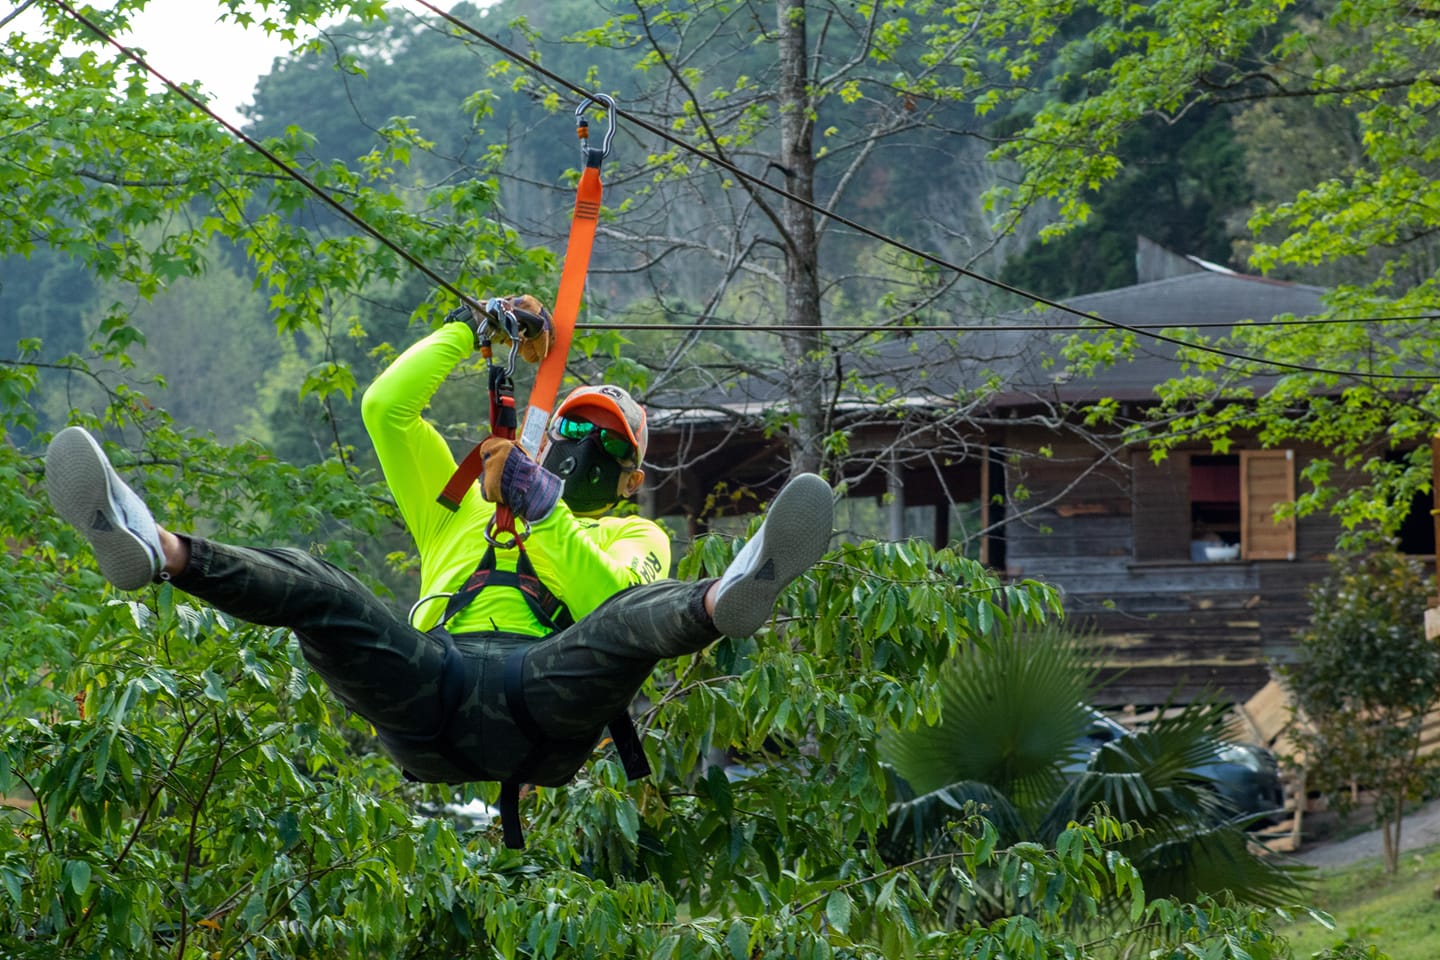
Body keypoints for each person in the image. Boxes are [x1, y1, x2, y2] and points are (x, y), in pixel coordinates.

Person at [44, 294, 835, 848]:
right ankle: (162, 549)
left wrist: (539, 507)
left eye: (607, 445)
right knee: (323, 590)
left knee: (639, 616)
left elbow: (609, 601)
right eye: (575, 430)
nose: (585, 449)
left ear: (632, 476)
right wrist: (473, 330)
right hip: (435, 684)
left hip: (544, 696)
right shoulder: (458, 503)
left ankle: (725, 597)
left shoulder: (633, 531)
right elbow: (386, 408)